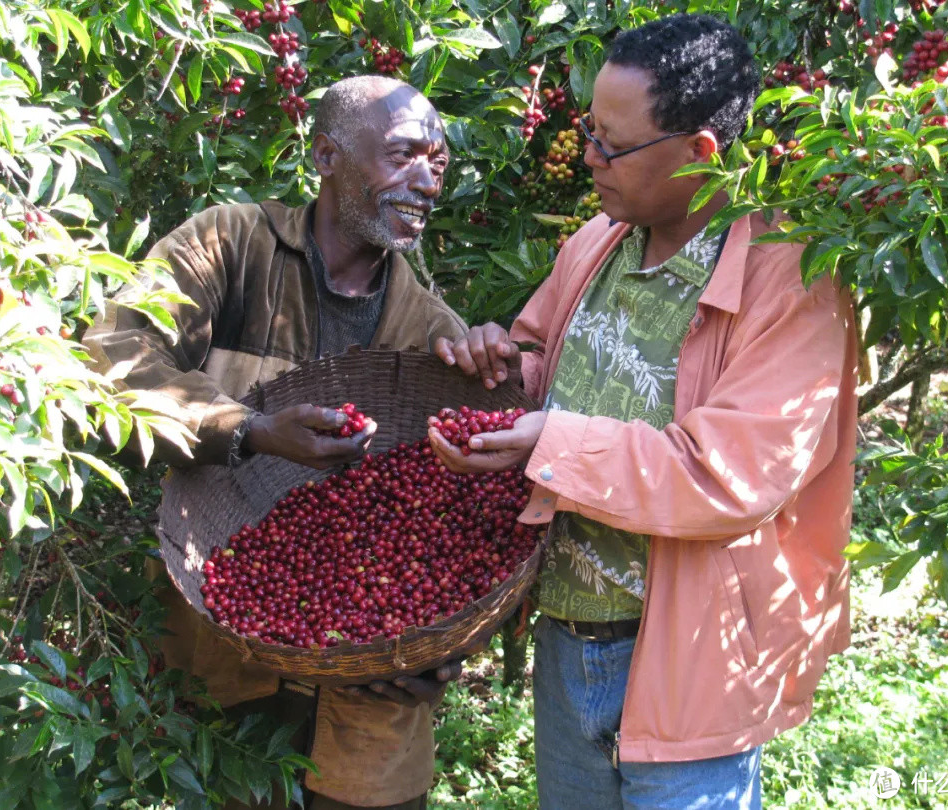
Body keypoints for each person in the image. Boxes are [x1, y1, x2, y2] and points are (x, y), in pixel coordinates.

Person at [430, 13, 858, 810]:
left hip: (689, 663)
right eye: (589, 132)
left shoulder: (790, 280)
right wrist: (499, 367)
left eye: (613, 146)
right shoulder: (596, 242)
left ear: (701, 152)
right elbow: (542, 368)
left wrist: (545, 443)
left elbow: (731, 477)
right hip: (569, 648)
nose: (589, 157)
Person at [84, 75, 467, 810]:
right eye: (403, 156)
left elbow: (470, 524)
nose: (426, 181)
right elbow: (115, 352)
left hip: (370, 701)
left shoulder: (430, 332)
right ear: (327, 154)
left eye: (438, 164)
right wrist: (249, 430)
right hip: (229, 660)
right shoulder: (231, 245)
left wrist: (440, 651)